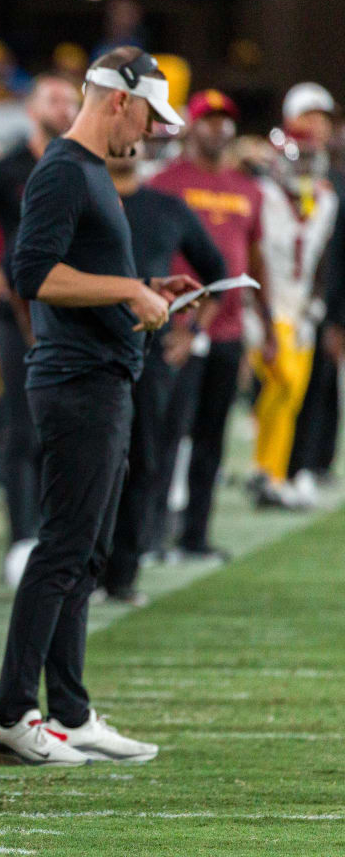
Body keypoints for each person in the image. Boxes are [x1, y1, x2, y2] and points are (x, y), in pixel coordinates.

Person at [0, 47, 197, 767]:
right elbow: (33, 275)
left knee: (86, 552)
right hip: (76, 382)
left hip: (101, 376)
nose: (152, 133)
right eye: (149, 115)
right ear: (118, 100)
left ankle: (68, 711)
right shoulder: (65, 169)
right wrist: (129, 292)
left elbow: (83, 275)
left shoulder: (90, 172)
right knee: (63, 548)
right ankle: (14, 714)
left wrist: (140, 286)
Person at [150, 89, 276, 555]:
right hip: (179, 328)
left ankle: (195, 534)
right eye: (208, 119)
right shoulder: (165, 182)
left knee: (210, 437)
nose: (218, 127)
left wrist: (265, 318)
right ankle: (151, 532)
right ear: (190, 125)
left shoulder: (249, 188)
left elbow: (258, 260)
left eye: (225, 119)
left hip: (228, 330)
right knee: (165, 434)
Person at [102, 147, 226, 603]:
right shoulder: (80, 199)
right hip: (86, 352)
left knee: (143, 459)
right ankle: (82, 572)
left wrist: (192, 332)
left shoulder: (166, 207)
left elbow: (216, 273)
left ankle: (124, 572)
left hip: (147, 356)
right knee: (89, 464)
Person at [0, 74, 80, 553]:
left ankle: (59, 534)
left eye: (71, 102)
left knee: (68, 428)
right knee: (22, 424)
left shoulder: (83, 168)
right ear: (32, 107)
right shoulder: (4, 171)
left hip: (73, 313)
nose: (65, 108)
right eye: (55, 99)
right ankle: (22, 539)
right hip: (17, 315)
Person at [249, 124, 338, 507]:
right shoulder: (261, 195)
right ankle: (266, 468)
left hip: (300, 309)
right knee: (281, 381)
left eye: (309, 158)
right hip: (263, 307)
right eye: (296, 157)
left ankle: (271, 472)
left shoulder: (326, 199)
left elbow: (323, 258)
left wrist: (315, 305)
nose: (303, 166)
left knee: (291, 396)